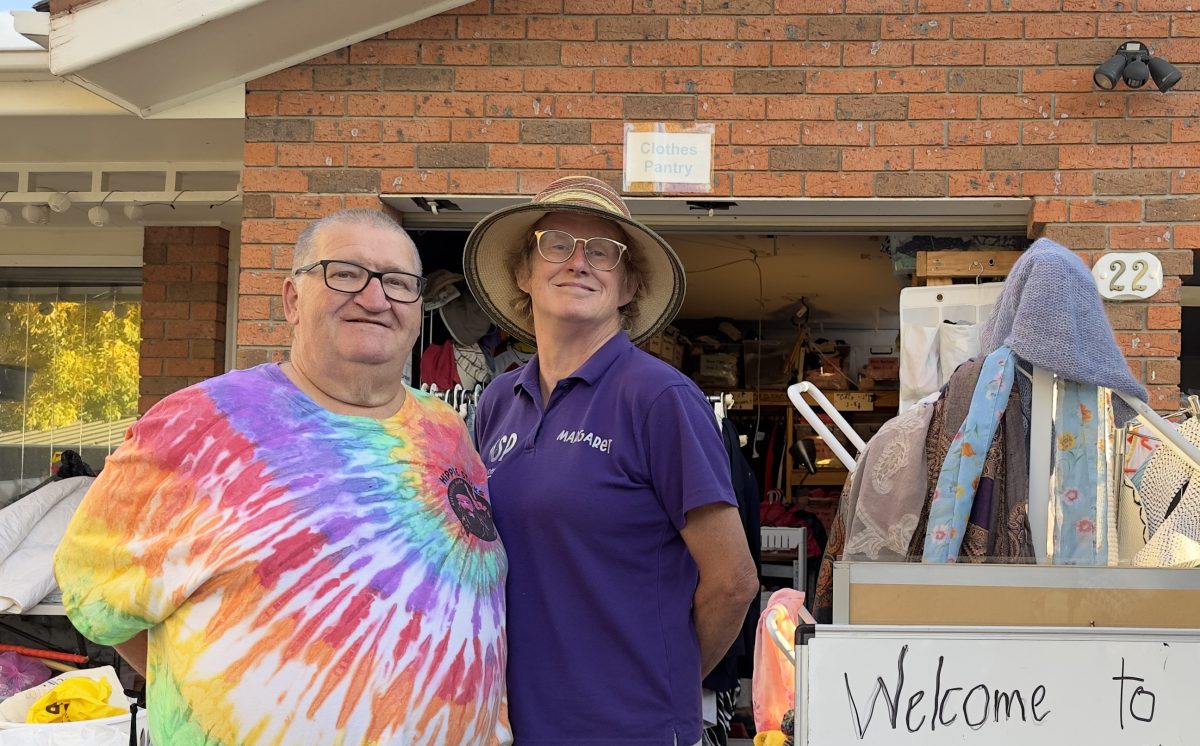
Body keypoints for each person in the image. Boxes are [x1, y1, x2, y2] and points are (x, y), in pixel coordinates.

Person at [54, 209, 510, 745]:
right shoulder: (198, 423)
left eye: (398, 283)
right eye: (345, 273)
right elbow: (94, 596)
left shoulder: (447, 430)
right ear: (293, 299)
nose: (374, 297)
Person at [464, 176, 759, 744]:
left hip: (628, 729)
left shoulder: (658, 398)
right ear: (524, 273)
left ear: (627, 286)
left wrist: (657, 683)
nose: (579, 262)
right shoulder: (499, 401)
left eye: (602, 252)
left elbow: (734, 581)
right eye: (556, 244)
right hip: (509, 723)